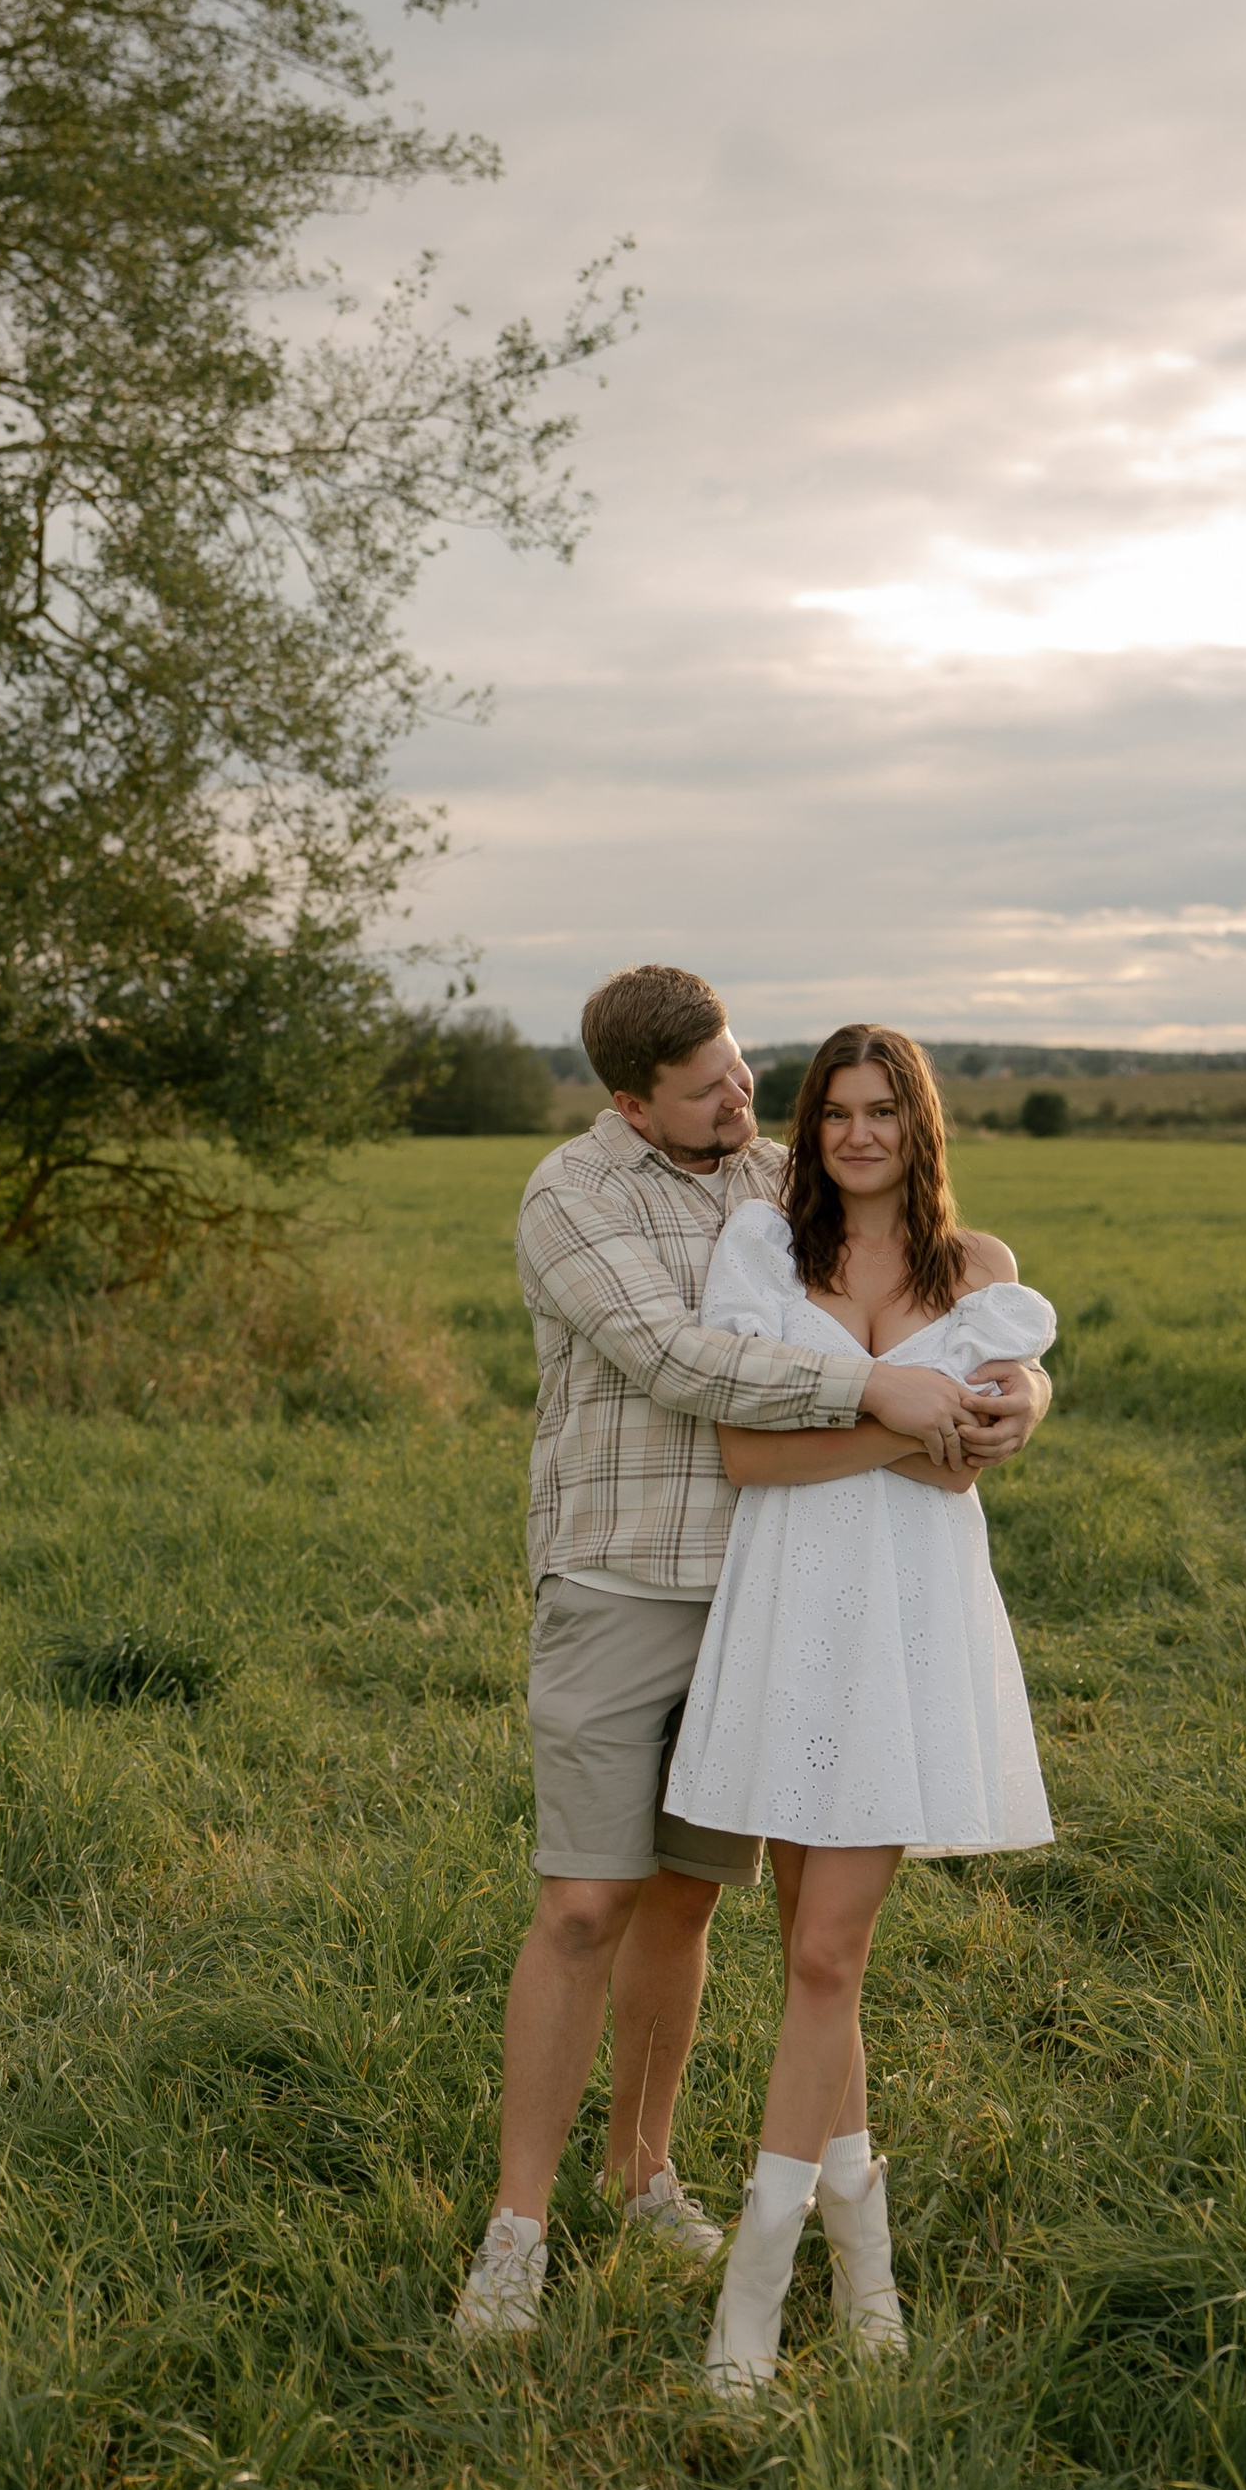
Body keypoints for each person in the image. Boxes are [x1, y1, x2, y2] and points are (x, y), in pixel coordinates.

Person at [451, 967, 1051, 2341]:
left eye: (739, 1071)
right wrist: (877, 1392)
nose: (743, 1101)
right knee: (585, 1904)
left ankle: (642, 2169)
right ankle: (515, 2230)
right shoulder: (572, 1198)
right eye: (709, 1087)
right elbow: (675, 1361)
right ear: (629, 1101)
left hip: (768, 1592)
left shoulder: (771, 1175)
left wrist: (1026, 1385)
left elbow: (952, 1286)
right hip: (618, 1580)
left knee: (688, 1905)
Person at [662, 1022, 1056, 2395]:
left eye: (883, 1110)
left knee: (827, 1952)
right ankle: (867, 2271)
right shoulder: (767, 1255)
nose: (858, 1134)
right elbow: (749, 1454)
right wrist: (906, 1419)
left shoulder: (981, 1275)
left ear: (920, 1124)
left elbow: (966, 1474)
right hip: (788, 1614)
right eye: (836, 1111)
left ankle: (752, 2305)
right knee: (810, 1957)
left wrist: (999, 1414)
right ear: (814, 1126)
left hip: (907, 1621)